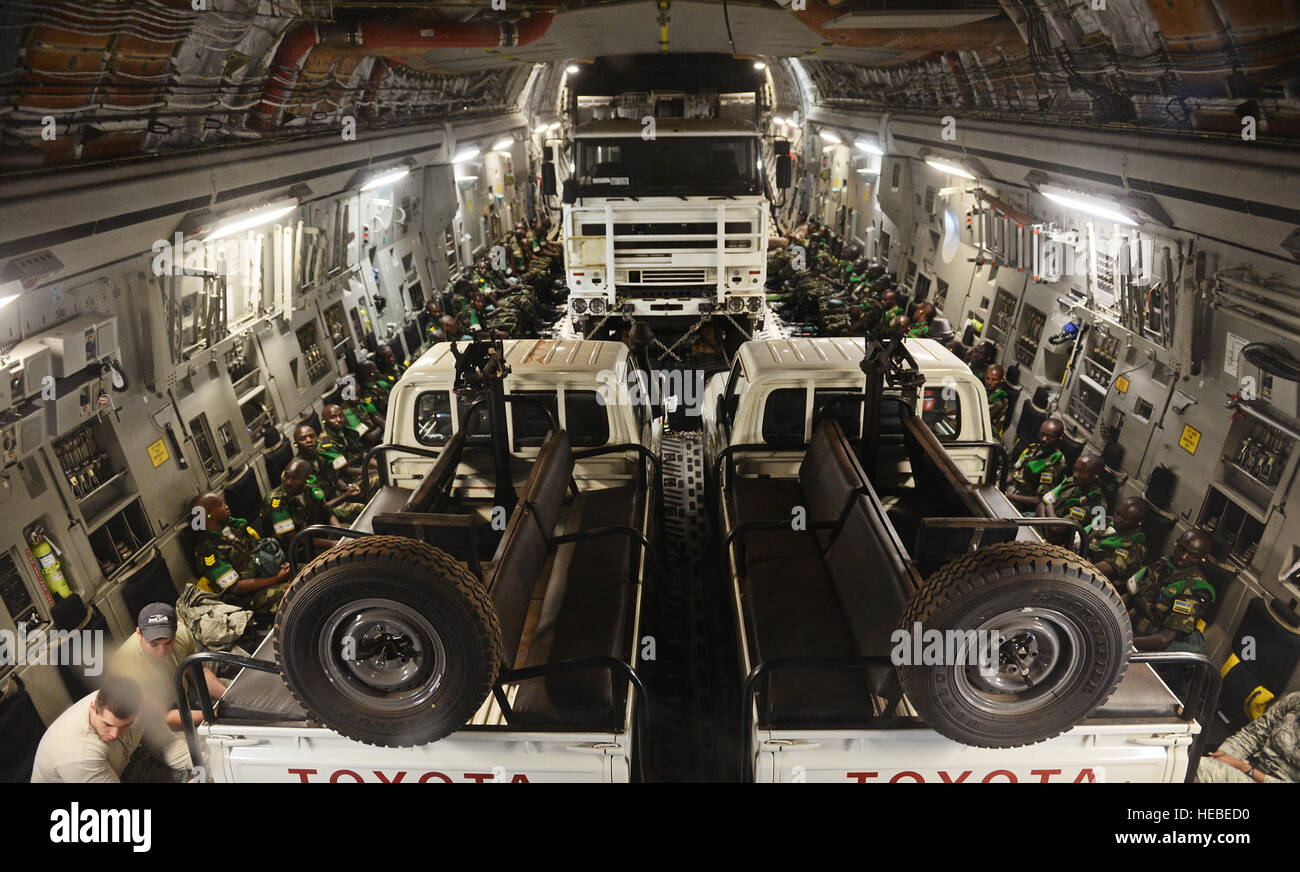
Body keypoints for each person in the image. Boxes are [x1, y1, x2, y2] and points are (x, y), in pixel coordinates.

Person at [31, 676, 191, 782]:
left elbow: (166, 745)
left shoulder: (140, 706)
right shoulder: (79, 754)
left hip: (115, 769)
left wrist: (204, 763)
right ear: (93, 707)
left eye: (125, 726)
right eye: (108, 724)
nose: (114, 734)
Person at [108, 603, 225, 730]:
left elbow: (197, 671)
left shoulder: (182, 634)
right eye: (154, 644)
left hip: (183, 696)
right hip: (155, 722)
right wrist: (215, 715)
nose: (162, 650)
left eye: (168, 642)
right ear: (139, 634)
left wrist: (227, 697)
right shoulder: (124, 666)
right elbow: (165, 717)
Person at [189, 492, 291, 621]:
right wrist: (277, 578)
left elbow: (257, 552)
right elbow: (235, 588)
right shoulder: (208, 551)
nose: (226, 506)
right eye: (220, 505)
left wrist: (279, 566)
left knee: (309, 572)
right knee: (295, 591)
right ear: (209, 516)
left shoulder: (235, 526)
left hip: (265, 573)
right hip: (248, 597)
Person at [1125, 529, 1216, 653]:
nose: (1183, 557)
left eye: (1192, 555)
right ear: (1176, 544)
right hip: (1130, 626)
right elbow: (1129, 594)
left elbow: (1164, 640)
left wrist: (1124, 644)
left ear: (1202, 559)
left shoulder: (1192, 590)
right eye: (1182, 549)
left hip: (1147, 644)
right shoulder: (1160, 564)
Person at [1197, 692, 1300, 783]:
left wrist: (1245, 768)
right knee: (1194, 767)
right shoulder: (1295, 701)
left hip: (1259, 775)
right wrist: (1225, 753)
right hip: (1251, 765)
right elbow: (1253, 734)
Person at [262, 458, 340, 554]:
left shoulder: (310, 489)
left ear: (307, 478)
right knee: (337, 553)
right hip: (295, 547)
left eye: (295, 478)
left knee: (351, 534)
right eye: (286, 476)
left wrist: (340, 532)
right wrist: (332, 544)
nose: (288, 482)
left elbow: (327, 513)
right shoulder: (275, 501)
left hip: (313, 534)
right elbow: (290, 536)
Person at [294, 423, 364, 522]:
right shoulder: (299, 469)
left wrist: (346, 487)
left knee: (365, 490)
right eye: (303, 439)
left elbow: (334, 478)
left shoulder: (322, 454)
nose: (309, 440)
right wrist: (345, 496)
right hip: (324, 510)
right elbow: (319, 508)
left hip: (336, 495)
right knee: (360, 510)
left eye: (311, 437)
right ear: (296, 444)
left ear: (317, 439)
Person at [1037, 454, 1107, 545]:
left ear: (1096, 475)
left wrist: (1049, 507)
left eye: (1081, 471)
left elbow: (1056, 528)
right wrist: (1046, 525)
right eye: (1075, 469)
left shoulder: (1096, 504)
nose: (1075, 474)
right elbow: (1041, 503)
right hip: (1042, 530)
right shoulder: (1072, 482)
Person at [1004, 418, 1068, 510]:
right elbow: (1015, 473)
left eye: (1049, 437)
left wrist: (1009, 496)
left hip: (1021, 500)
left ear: (1059, 438)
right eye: (1042, 434)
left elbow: (1038, 500)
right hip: (1010, 490)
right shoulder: (1034, 448)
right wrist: (999, 483)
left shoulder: (1054, 463)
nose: (1043, 439)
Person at [1086, 496, 1149, 583]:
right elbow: (1080, 536)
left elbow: (1103, 569)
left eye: (1124, 518)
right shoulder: (1106, 522)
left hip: (1100, 584)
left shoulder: (1136, 547)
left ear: (1139, 523)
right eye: (1117, 513)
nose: (1117, 519)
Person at [983, 364, 1010, 436]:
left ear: (1001, 380)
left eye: (994, 380)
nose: (989, 382)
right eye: (987, 378)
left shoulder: (999, 400)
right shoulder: (984, 390)